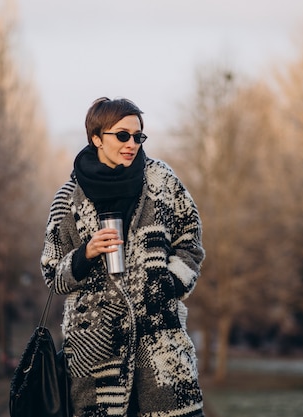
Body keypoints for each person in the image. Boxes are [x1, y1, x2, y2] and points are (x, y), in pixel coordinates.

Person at [41, 97, 206, 417]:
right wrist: (84, 255)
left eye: (138, 136)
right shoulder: (68, 198)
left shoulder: (163, 182)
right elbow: (52, 272)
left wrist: (169, 284)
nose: (132, 143)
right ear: (96, 138)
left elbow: (191, 242)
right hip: (96, 352)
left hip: (161, 348)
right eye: (122, 135)